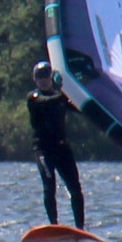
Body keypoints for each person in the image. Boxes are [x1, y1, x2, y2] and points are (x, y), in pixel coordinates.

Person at [29, 60, 85, 229]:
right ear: (35, 80)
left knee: (75, 188)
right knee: (49, 185)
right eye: (39, 77)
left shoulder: (61, 98)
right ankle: (54, 226)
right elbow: (49, 101)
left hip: (62, 148)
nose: (43, 80)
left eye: (46, 76)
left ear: (51, 77)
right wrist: (64, 92)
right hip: (43, 150)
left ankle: (79, 228)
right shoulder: (34, 98)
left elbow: (81, 107)